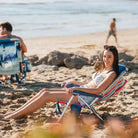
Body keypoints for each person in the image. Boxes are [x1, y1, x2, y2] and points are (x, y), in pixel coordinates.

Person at [0, 45, 119, 120]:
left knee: (46, 95)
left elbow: (97, 90)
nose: (106, 59)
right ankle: (12, 113)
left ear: (114, 58)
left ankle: (13, 116)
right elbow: (90, 84)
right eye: (104, 56)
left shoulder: (111, 74)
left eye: (109, 57)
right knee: (44, 91)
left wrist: (77, 89)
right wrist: (74, 82)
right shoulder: (104, 70)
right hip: (82, 91)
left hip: (83, 97)